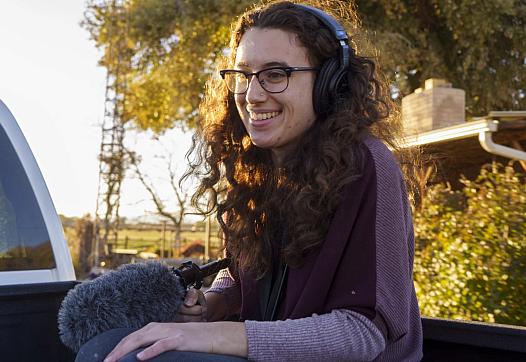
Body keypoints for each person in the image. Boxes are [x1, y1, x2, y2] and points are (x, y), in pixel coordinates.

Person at [82, 1, 423, 361]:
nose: (252, 94)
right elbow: (243, 275)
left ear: (329, 83)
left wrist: (223, 335)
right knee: (107, 347)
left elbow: (365, 333)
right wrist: (212, 304)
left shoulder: (367, 164)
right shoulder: (253, 169)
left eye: (276, 74)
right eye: (244, 75)